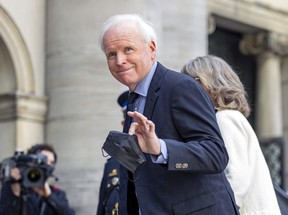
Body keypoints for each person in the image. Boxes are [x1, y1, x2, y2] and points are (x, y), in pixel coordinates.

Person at [99, 14, 239, 215]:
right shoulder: (134, 98)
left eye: (128, 49)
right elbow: (135, 175)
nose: (120, 60)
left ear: (152, 49)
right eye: (111, 54)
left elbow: (216, 154)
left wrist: (160, 148)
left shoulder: (180, 87)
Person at [181, 55, 281, 214]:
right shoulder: (225, 118)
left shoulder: (225, 119)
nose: (187, 89)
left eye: (193, 81)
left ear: (213, 81)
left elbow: (236, 179)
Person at [0, 143, 75, 215]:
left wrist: (49, 196)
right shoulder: (13, 189)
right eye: (44, 160)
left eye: (51, 162)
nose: (47, 165)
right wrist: (15, 193)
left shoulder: (57, 194)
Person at [97, 91, 128, 215]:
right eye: (130, 120)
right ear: (123, 124)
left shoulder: (160, 157)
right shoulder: (112, 163)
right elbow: (102, 207)